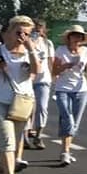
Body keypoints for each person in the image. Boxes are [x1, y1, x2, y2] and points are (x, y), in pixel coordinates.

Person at [0, 16, 40, 174]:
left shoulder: (31, 51)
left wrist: (30, 49)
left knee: (15, 139)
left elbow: (36, 71)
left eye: (27, 34)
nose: (22, 36)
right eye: (19, 32)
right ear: (9, 32)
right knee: (7, 139)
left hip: (22, 101)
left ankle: (3, 169)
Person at [52, 25, 87, 166]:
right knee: (67, 118)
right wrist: (65, 66)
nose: (77, 38)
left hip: (81, 89)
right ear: (69, 37)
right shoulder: (61, 50)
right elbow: (54, 71)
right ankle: (65, 151)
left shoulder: (86, 51)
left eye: (80, 36)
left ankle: (65, 151)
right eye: (74, 35)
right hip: (63, 88)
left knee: (75, 121)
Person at [26, 19, 54, 149]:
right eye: (35, 28)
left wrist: (53, 76)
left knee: (42, 107)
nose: (37, 30)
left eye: (40, 27)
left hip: (43, 79)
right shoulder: (26, 42)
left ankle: (38, 135)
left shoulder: (47, 43)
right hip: (27, 79)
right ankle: (25, 135)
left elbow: (51, 61)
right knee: (27, 108)